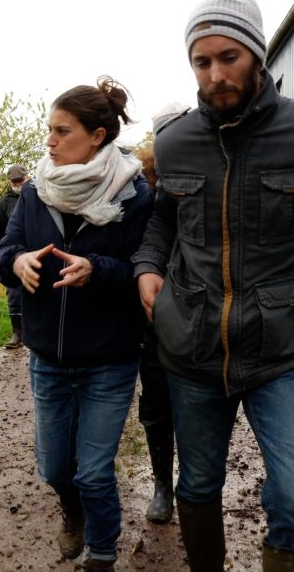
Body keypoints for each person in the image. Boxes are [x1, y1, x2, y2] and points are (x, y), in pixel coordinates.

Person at [132, 0, 294, 570]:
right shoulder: (175, 140)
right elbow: (162, 218)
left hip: (285, 351)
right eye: (201, 62)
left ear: (256, 53)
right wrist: (148, 268)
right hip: (193, 349)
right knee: (198, 486)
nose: (215, 74)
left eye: (228, 57)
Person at [0, 76, 154, 571]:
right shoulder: (37, 191)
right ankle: (73, 514)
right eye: (49, 130)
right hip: (48, 358)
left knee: (93, 471)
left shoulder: (135, 198)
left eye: (62, 131)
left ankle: (102, 551)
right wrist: (16, 263)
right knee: (56, 467)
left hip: (109, 359)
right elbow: (4, 252)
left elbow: (146, 272)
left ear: (97, 136)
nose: (50, 141)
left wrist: (99, 270)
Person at [132, 142, 175, 525]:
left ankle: (193, 481)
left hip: (203, 319)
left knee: (197, 406)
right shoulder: (144, 202)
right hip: (154, 319)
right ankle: (163, 484)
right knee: (157, 405)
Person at [0, 164, 30, 348]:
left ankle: (36, 332)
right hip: (12, 255)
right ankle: (17, 334)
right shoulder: (4, 203)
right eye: (14, 181)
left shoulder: (37, 196)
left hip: (35, 253)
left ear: (27, 177)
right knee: (14, 296)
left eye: (20, 181)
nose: (17, 184)